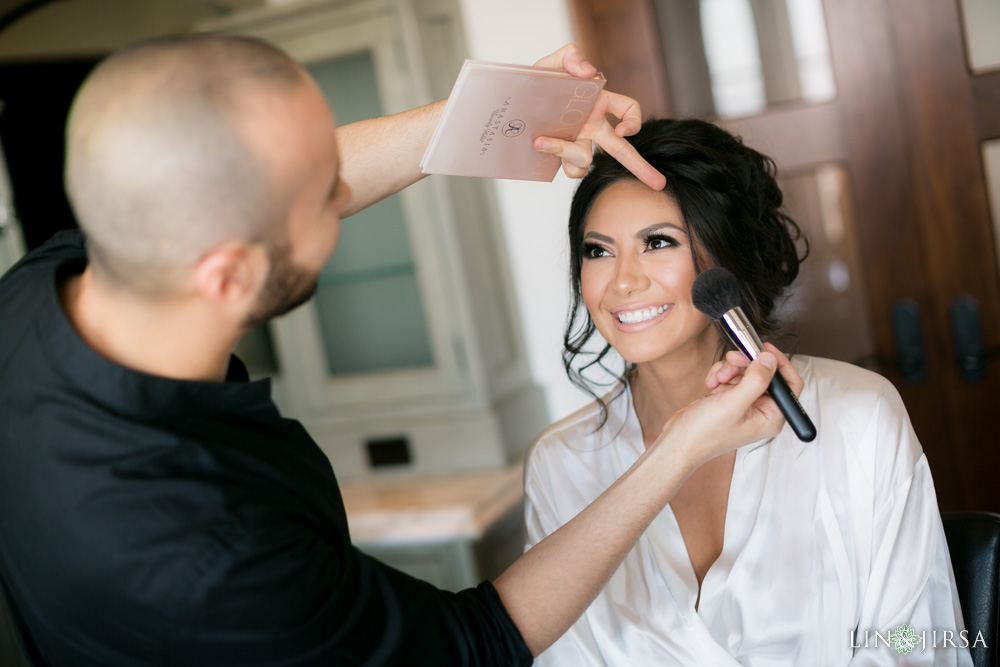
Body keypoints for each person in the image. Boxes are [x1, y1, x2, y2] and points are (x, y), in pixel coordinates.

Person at [0, 35, 790, 666]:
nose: (346, 195)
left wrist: (504, 112)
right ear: (229, 273)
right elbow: (479, 640)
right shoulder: (211, 559)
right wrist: (678, 445)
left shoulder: (40, 290)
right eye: (324, 198)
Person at [523, 118, 972, 666]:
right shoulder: (561, 463)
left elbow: (920, 643)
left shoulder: (859, 415)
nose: (621, 282)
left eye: (658, 242)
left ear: (726, 260)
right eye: (598, 251)